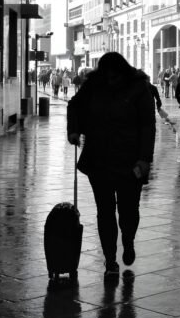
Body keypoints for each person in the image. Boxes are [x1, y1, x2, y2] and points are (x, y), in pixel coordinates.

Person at [67, 52, 156, 276]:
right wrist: (74, 130)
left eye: (114, 76)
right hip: (100, 159)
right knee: (105, 212)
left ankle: (128, 240)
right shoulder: (94, 85)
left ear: (123, 73)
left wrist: (144, 158)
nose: (110, 80)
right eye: (107, 76)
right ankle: (110, 261)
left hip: (130, 161)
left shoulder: (139, 87)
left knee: (129, 210)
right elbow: (74, 105)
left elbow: (147, 125)